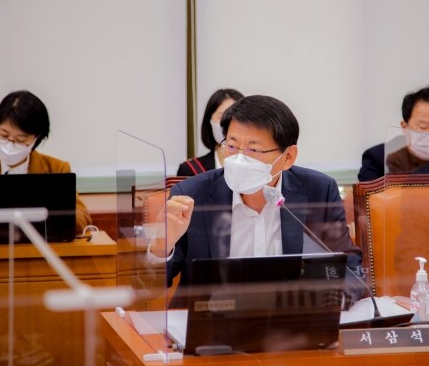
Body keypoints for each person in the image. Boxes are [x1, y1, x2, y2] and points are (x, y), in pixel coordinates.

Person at [154, 95, 365, 308]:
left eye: (253, 150)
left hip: (292, 320)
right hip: (211, 320)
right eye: (232, 146)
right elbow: (149, 286)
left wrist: (332, 302)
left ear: (288, 157)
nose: (239, 159)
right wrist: (162, 247)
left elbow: (350, 267)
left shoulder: (318, 191)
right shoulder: (192, 196)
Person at [0, 90, 92, 235]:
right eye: (3, 135)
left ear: (36, 139)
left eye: (20, 140)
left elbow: (82, 218)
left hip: (38, 246)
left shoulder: (57, 169)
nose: (10, 144)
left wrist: (57, 218)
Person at [177, 88, 244, 176]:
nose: (229, 124)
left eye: (236, 118)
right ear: (209, 121)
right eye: (222, 117)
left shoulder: (257, 166)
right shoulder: (190, 170)